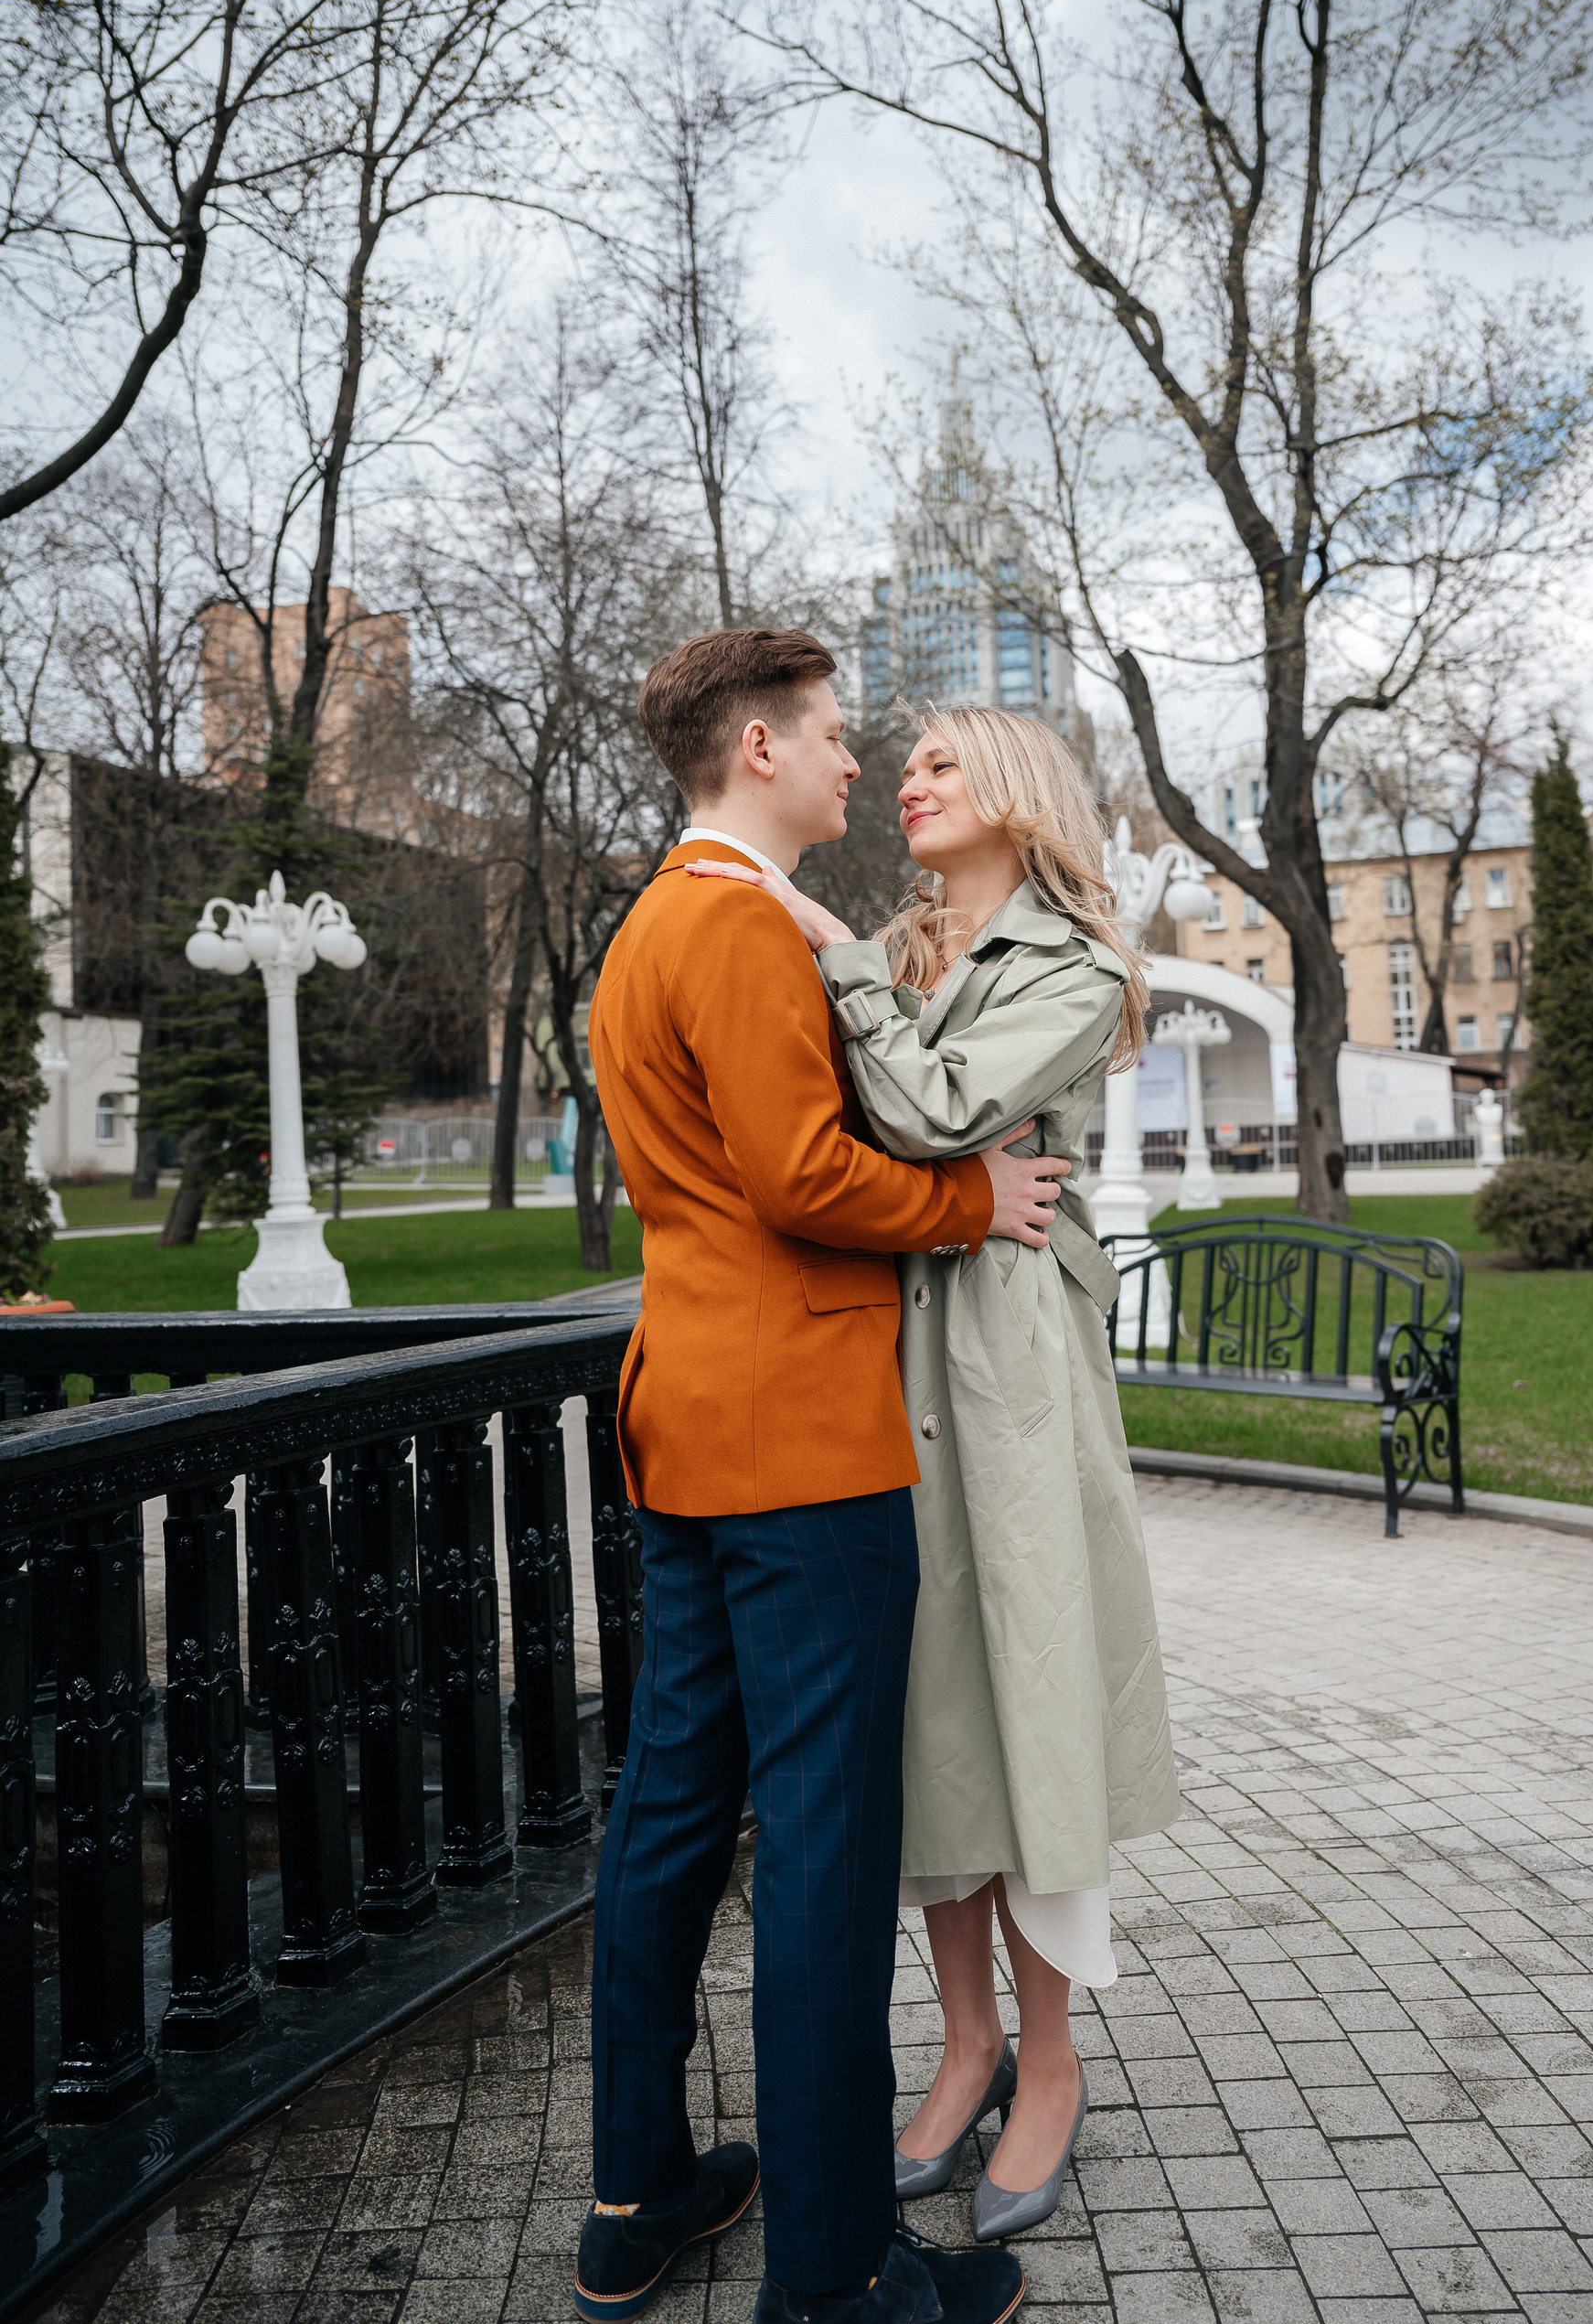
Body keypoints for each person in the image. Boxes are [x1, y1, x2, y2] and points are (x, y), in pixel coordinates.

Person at [580, 632, 1069, 2324]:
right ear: (761, 746)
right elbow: (799, 1176)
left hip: (689, 1425)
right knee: (825, 1854)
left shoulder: (648, 926)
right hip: (798, 1443)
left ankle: (638, 2192)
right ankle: (835, 2275)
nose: (858, 761)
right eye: (838, 735)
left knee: (668, 1812)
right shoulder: (730, 925)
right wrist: (969, 1204)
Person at [685, 703, 1179, 2244]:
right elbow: (834, 1142)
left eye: (941, 762)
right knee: (928, 1719)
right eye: (900, 761)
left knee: (1028, 1703)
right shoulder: (894, 952)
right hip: (880, 1351)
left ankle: (1054, 2061)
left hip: (1009, 1366)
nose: (906, 779)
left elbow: (934, 1110)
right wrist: (869, 1003)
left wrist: (842, 966)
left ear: (1018, 792)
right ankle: (967, 2045)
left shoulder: (1072, 967)